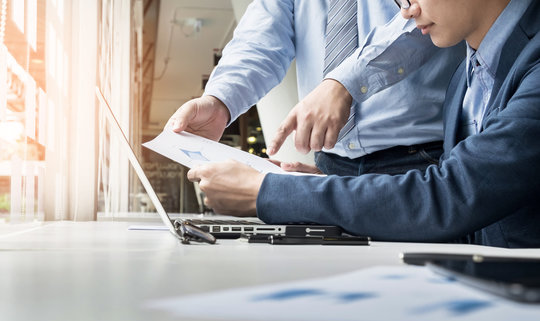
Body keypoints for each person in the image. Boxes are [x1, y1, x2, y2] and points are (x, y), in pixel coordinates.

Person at [187, 0, 540, 248]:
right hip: (348, 172)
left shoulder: (512, 67)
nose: (406, 11)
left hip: (420, 167)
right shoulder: (468, 78)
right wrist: (220, 101)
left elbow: (451, 198)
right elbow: (262, 31)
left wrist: (267, 192)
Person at [169, 0, 464, 176]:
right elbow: (261, 35)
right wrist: (220, 101)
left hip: (422, 159)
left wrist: (344, 82)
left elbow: (429, 11)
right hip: (331, 163)